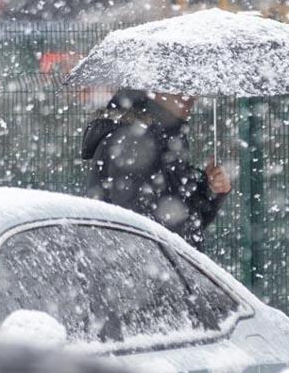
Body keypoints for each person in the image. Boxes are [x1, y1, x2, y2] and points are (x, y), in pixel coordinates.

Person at [81, 88, 231, 251]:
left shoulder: (163, 139)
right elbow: (138, 231)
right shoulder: (134, 143)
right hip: (144, 270)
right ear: (153, 90)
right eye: (180, 88)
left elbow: (185, 219)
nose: (192, 97)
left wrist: (211, 190)